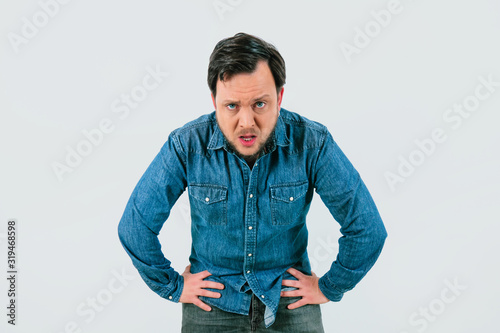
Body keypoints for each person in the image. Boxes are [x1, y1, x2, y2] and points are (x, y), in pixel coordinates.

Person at [118, 32, 387, 332]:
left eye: (259, 104)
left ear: (280, 97)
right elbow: (135, 226)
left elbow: (367, 229)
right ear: (214, 100)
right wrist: (173, 286)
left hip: (289, 300)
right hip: (213, 303)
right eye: (232, 106)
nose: (246, 122)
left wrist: (329, 287)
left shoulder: (312, 143)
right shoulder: (187, 145)